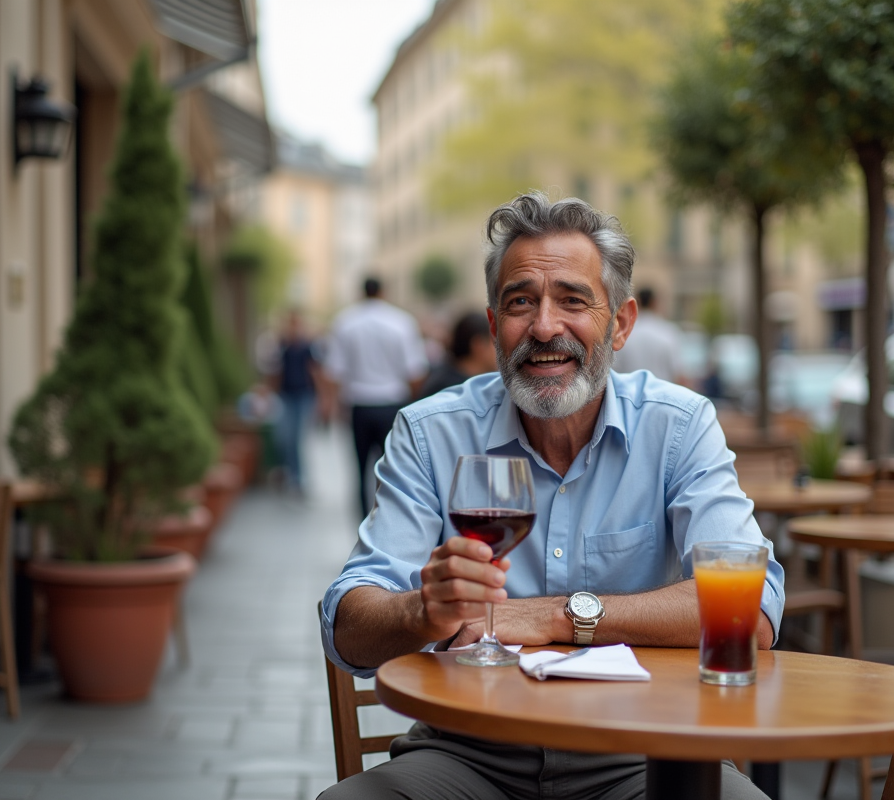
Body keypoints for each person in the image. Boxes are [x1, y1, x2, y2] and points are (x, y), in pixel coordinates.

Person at [319, 192, 783, 800]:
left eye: (573, 300)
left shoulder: (678, 426)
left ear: (620, 323)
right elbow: (347, 628)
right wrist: (421, 610)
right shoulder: (431, 432)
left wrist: (554, 615)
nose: (543, 327)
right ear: (493, 326)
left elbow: (750, 611)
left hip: (644, 749)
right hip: (468, 752)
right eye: (520, 302)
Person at [325, 276, 430, 519]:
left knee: (359, 470)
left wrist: (334, 405)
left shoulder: (345, 322)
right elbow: (415, 371)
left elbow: (334, 371)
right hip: (392, 404)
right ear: (383, 292)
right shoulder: (401, 321)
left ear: (362, 292)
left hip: (359, 404)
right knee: (393, 469)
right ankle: (388, 520)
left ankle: (362, 523)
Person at [273, 309, 319, 495]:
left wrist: (323, 398)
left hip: (303, 396)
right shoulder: (283, 346)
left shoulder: (307, 347)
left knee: (298, 438)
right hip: (286, 396)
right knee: (285, 437)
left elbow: (314, 371)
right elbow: (276, 371)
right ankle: (290, 473)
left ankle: (299, 478)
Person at [418, 311, 498, 398]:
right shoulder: (448, 389)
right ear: (479, 345)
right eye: (496, 342)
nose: (500, 350)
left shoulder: (479, 383)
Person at [611, 286, 682, 383]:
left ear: (637, 302)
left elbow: (615, 367)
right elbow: (677, 372)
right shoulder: (668, 332)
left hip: (627, 389)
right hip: (661, 389)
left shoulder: (623, 332)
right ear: (654, 303)